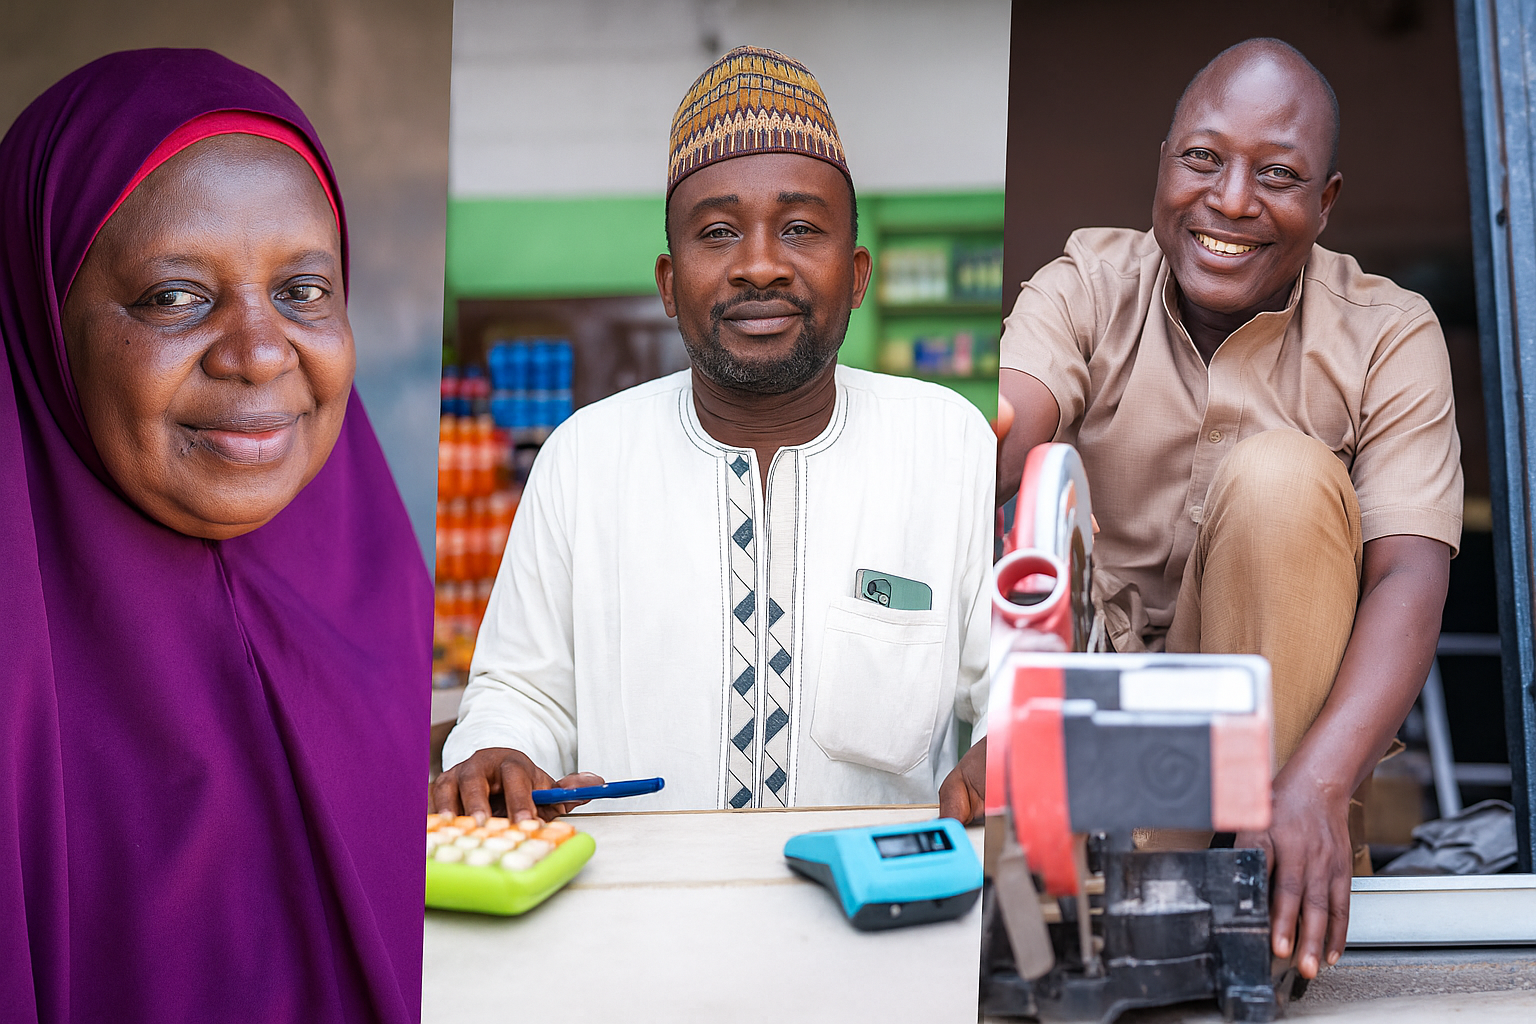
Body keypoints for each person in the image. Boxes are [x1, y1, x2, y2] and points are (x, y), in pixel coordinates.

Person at [996, 38, 1461, 980]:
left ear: (1325, 203)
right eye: (1202, 157)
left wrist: (1322, 782)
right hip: (1103, 749)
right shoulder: (1087, 282)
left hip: (1288, 771)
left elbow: (1412, 569)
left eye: (1278, 174)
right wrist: (976, 432)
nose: (1233, 199)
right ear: (1163, 164)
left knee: (1282, 477)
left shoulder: (1389, 331)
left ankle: (1260, 896)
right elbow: (1009, 418)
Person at [433, 47, 993, 824]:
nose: (759, 266)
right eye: (720, 232)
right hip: (633, 922)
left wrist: (1010, 741)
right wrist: (494, 749)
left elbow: (1013, 676)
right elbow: (520, 690)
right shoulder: (584, 459)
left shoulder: (948, 446)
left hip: (876, 922)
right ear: (669, 283)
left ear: (857, 274)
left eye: (799, 227)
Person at [0, 50, 432, 1021]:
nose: (261, 352)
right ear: (38, 318)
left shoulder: (379, 590)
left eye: (304, 291)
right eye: (175, 295)